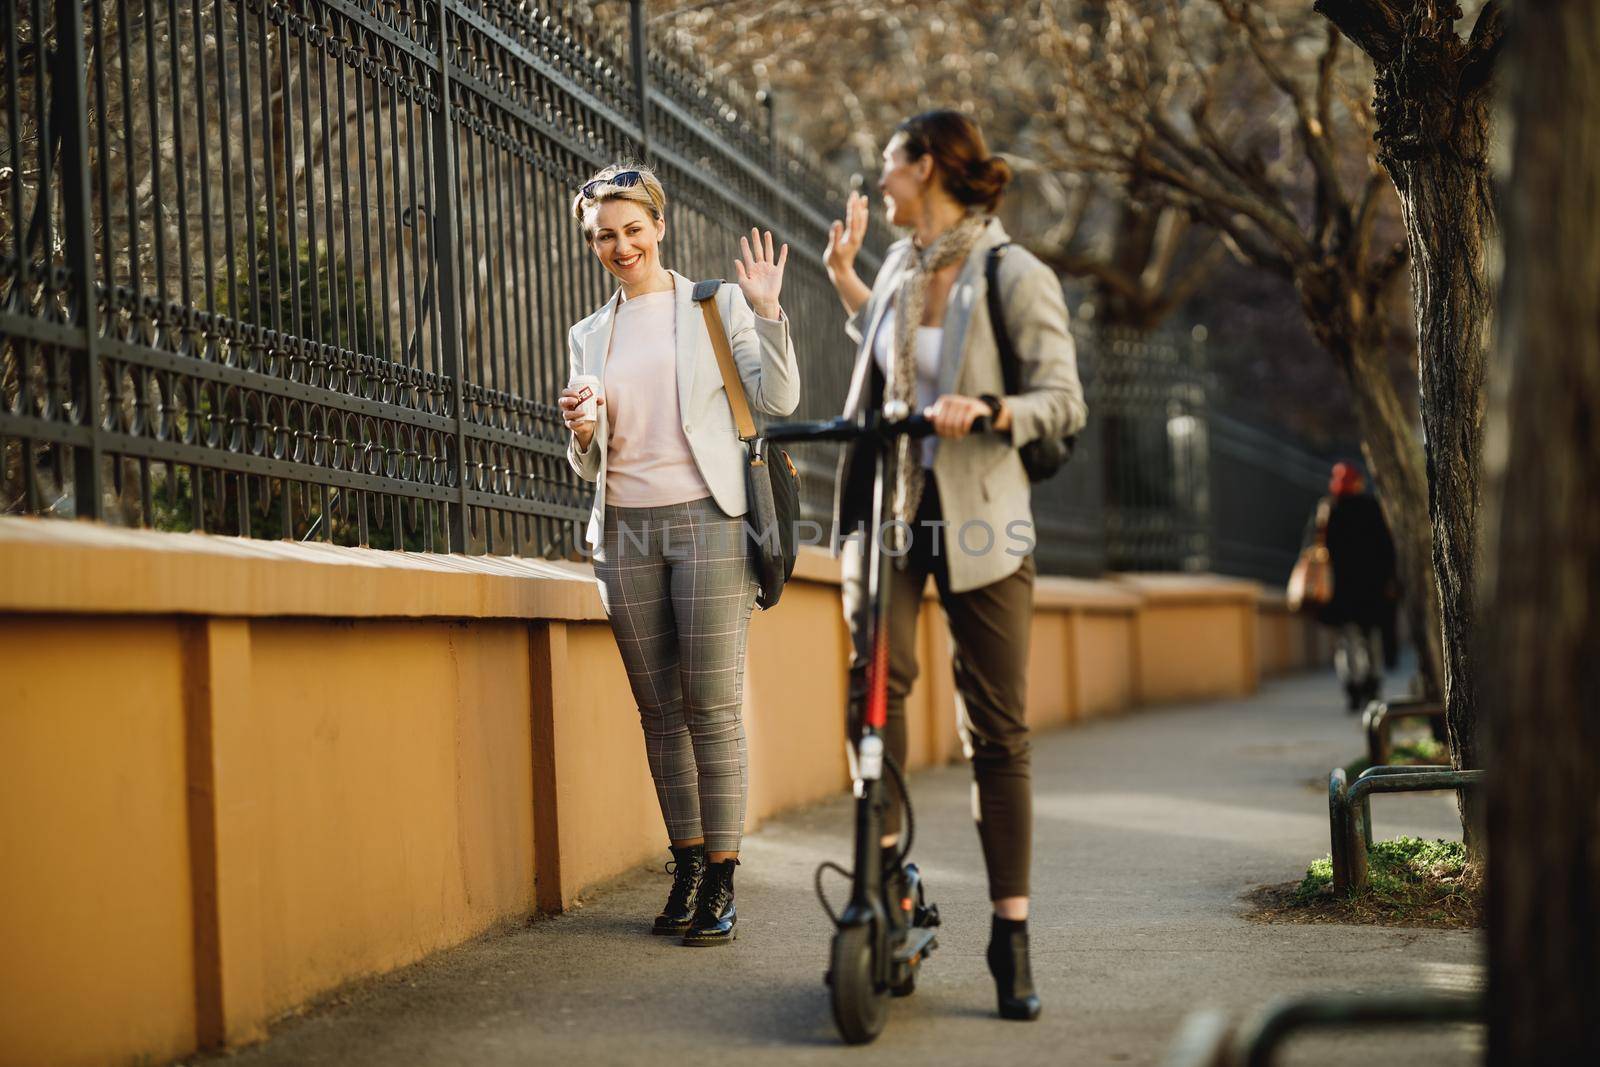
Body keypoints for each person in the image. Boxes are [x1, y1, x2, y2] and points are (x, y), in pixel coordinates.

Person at [821, 110, 1087, 1020]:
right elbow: (896, 371)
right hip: (900, 508)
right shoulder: (900, 267)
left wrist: (991, 410)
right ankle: (886, 872)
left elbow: (1062, 399)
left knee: (998, 730)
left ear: (924, 166)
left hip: (983, 520)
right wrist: (846, 281)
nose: (880, 175)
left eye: (888, 161)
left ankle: (1010, 933)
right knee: (875, 682)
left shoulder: (1013, 271)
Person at [559, 163, 798, 945]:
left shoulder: (714, 305)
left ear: (659, 226)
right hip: (624, 527)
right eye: (604, 235)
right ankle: (688, 863)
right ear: (590, 242)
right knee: (658, 711)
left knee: (713, 706)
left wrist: (767, 312)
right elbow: (589, 460)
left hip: (709, 521)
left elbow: (778, 399)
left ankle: (724, 876)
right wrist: (582, 433)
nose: (620, 245)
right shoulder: (589, 333)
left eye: (632, 229)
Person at [1305, 462, 1399, 711]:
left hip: (1340, 592)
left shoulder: (1328, 509)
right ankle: (1371, 684)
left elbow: (1314, 546)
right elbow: (1386, 548)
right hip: (1371, 589)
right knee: (1371, 639)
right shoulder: (1370, 507)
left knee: (1348, 640)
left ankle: (1353, 686)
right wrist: (1389, 580)